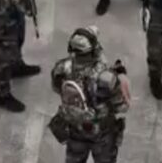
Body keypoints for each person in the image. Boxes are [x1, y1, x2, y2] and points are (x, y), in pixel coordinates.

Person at [49, 26, 130, 163]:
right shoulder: (107, 77)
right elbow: (122, 107)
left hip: (75, 128)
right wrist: (120, 78)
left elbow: (57, 89)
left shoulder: (61, 68)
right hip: (102, 134)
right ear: (94, 49)